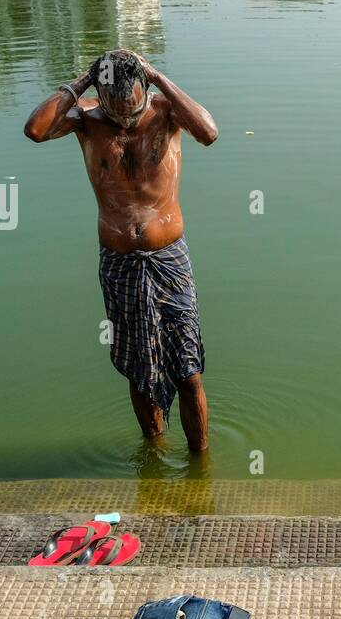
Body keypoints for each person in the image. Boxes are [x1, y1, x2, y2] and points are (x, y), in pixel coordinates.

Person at [24, 49, 218, 450]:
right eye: (115, 109)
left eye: (130, 106)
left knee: (188, 371)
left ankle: (200, 464)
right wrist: (81, 81)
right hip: (118, 262)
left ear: (143, 88)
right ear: (99, 94)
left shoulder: (166, 111)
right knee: (137, 368)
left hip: (169, 259)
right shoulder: (87, 119)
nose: (124, 118)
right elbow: (35, 130)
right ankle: (156, 449)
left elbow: (209, 133)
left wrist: (160, 77)